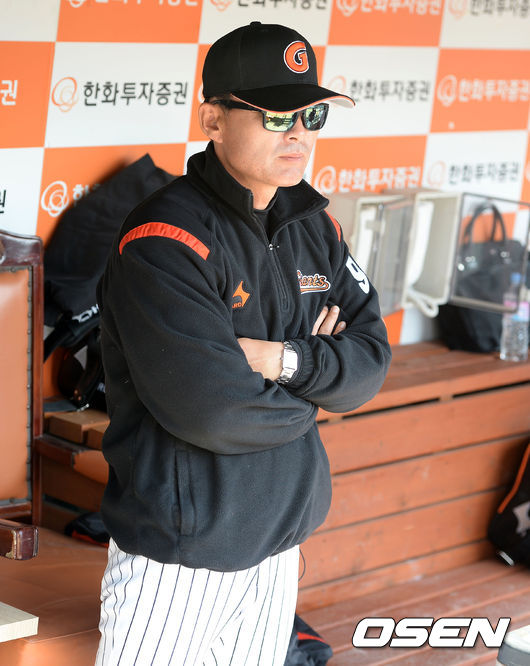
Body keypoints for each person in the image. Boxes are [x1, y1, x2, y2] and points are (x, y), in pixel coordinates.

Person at [95, 21, 391, 666]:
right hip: (180, 558)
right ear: (213, 119)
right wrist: (316, 391)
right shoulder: (164, 237)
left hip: (281, 544)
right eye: (276, 115)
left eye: (312, 115)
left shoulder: (316, 226)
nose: (299, 133)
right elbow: (215, 410)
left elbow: (371, 362)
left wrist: (281, 360)